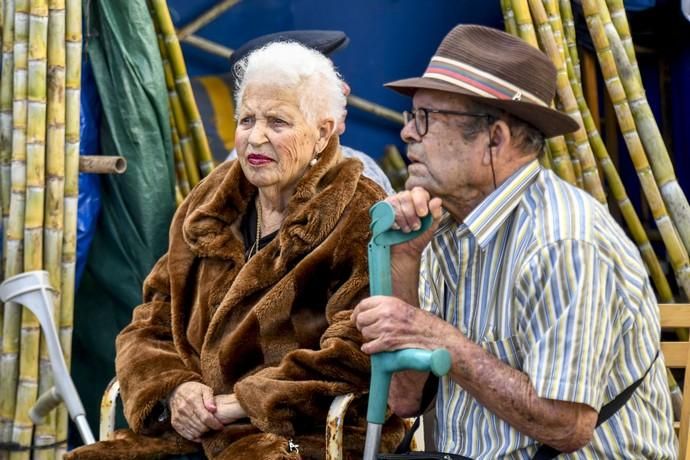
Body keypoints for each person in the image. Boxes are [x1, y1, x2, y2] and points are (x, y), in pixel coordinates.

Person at [67, 41, 403, 460]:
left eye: (277, 122)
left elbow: (355, 354)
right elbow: (151, 319)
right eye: (246, 120)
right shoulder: (209, 201)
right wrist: (176, 388)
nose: (255, 137)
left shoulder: (359, 213)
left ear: (324, 131)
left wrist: (240, 403)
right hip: (193, 429)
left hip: (304, 436)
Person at [353, 24, 676, 458]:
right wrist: (406, 259)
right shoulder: (444, 230)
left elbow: (566, 427)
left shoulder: (563, 239)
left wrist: (440, 339)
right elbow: (406, 400)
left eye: (426, 117)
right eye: (412, 117)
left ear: (495, 138)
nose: (408, 132)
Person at [225, 30, 396, 195]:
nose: (344, 89)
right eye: (329, 80)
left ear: (323, 132)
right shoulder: (229, 183)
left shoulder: (363, 173)